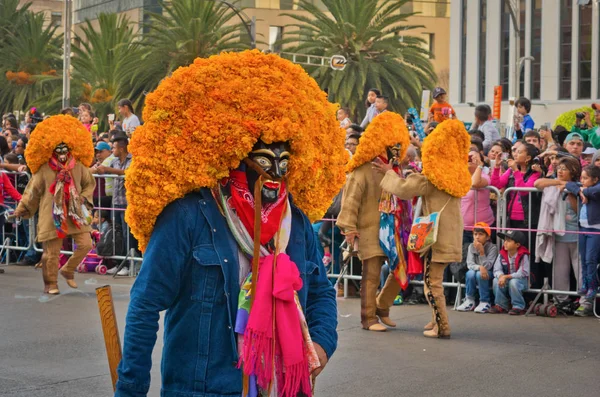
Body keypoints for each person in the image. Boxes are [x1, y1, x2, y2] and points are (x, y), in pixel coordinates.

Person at [115, 50, 342, 397]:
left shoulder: (292, 221)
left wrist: (322, 344)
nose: (275, 173)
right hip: (204, 389)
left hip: (283, 387)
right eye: (265, 159)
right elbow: (145, 305)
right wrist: (131, 389)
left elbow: (321, 291)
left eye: (284, 161)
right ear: (234, 154)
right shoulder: (188, 216)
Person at [373, 119, 471, 339]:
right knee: (433, 280)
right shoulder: (454, 179)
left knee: (431, 283)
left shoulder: (432, 179)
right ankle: (436, 318)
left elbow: (403, 189)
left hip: (435, 239)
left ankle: (442, 325)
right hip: (449, 237)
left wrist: (389, 172)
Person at [337, 111, 410, 332]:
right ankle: (368, 319)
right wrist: (349, 229)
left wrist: (392, 173)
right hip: (369, 229)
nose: (396, 149)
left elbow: (405, 195)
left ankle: (382, 307)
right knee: (370, 275)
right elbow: (350, 201)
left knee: (401, 271)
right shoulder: (362, 170)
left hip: (394, 230)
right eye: (392, 145)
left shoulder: (394, 169)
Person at [14, 115, 95, 294]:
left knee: (86, 244)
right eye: (58, 148)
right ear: (51, 149)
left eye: (65, 147)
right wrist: (21, 209)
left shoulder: (79, 166)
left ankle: (68, 269)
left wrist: (83, 197)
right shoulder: (44, 169)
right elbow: (32, 191)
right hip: (52, 213)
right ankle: (51, 283)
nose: (62, 151)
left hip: (74, 212)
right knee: (51, 252)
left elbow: (90, 184)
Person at [534, 156, 581, 303]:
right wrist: (561, 182)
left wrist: (569, 190)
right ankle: (561, 300)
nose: (560, 171)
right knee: (560, 271)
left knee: (580, 270)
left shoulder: (579, 185)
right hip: (559, 236)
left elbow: (577, 210)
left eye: (564, 169)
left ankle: (585, 300)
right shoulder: (554, 183)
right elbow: (537, 183)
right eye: (559, 168)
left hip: (578, 236)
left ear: (573, 171)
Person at [565, 165, 600, 316]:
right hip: (583, 228)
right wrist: (579, 190)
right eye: (582, 178)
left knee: (590, 259)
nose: (582, 180)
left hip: (595, 230)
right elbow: (569, 184)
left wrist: (582, 191)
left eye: (585, 178)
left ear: (595, 179)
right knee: (583, 259)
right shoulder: (583, 186)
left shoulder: (596, 188)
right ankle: (586, 283)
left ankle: (593, 286)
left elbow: (594, 191)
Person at [96, 138, 134, 275]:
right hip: (116, 201)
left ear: (122, 148)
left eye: (114, 148)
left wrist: (107, 169)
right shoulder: (114, 160)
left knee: (127, 234)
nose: (113, 151)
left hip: (127, 203)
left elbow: (128, 173)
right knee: (116, 233)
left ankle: (130, 264)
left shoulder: (132, 160)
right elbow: (102, 170)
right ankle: (119, 263)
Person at [457, 222, 498, 313]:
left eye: (481, 234)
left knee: (480, 274)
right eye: (475, 234)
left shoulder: (493, 248)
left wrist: (482, 253)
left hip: (489, 273)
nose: (477, 237)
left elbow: (489, 266)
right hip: (477, 270)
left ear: (487, 237)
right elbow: (470, 264)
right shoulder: (471, 246)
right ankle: (469, 300)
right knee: (470, 273)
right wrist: (480, 267)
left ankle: (485, 301)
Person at [489, 230, 530, 315]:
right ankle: (501, 305)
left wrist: (506, 277)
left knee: (513, 282)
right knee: (496, 280)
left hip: (521, 281)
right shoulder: (502, 254)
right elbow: (496, 269)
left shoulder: (523, 255)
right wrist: (501, 276)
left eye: (509, 241)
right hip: (506, 279)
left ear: (517, 245)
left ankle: (518, 306)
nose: (505, 243)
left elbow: (522, 273)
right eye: (505, 240)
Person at [462, 150, 495, 245]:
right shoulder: (459, 177)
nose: (470, 159)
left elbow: (475, 183)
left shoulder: (484, 176)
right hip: (463, 227)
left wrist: (479, 166)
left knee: (481, 256)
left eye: (474, 157)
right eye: (467, 157)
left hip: (482, 229)